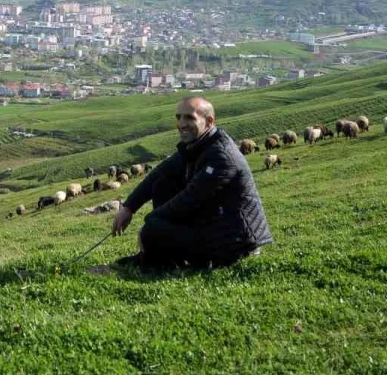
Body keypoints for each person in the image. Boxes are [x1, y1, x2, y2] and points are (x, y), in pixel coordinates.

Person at [107, 96, 273, 271]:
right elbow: (158, 174)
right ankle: (158, 257)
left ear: (209, 121)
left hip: (235, 242)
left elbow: (190, 199)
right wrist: (128, 208)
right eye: (178, 117)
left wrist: (149, 224)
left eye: (189, 118)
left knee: (154, 228)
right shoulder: (198, 146)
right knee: (162, 184)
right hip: (214, 226)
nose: (181, 124)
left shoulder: (222, 157)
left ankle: (157, 260)